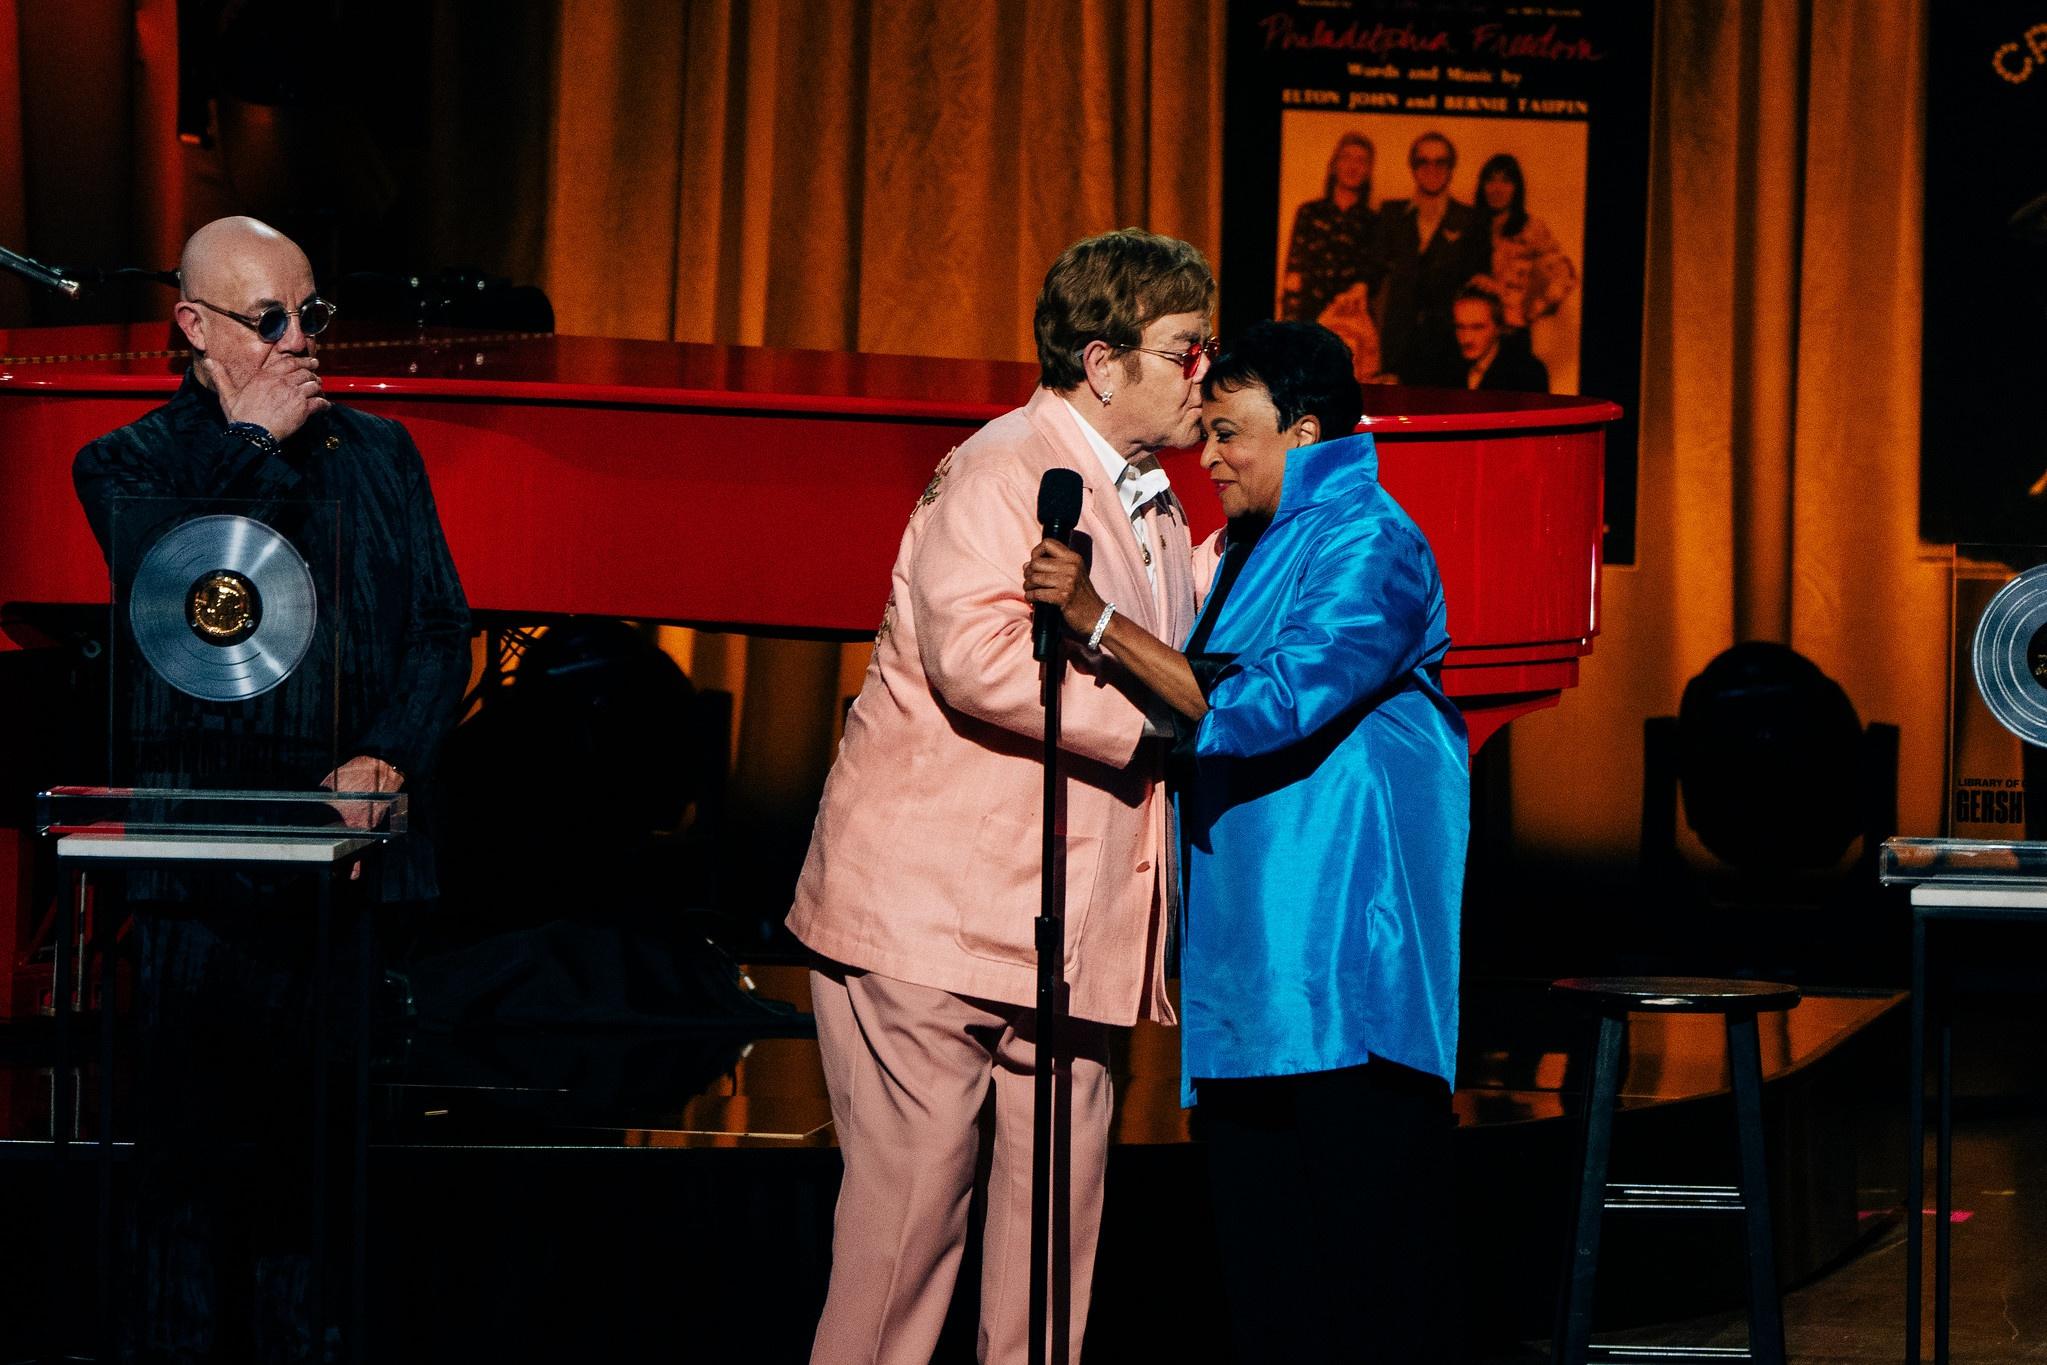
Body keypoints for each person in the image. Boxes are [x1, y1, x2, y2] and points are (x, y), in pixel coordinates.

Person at [787, 228, 1211, 1364]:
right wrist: (1164, 726)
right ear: (1102, 360)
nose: (1202, 377)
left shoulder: (1153, 498)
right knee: (906, 1240)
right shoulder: (999, 470)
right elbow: (977, 660)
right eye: (1185, 351)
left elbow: (1170, 632)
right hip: (931, 924)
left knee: (1052, 1255)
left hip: (1067, 940)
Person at [1025, 320, 1468, 1363]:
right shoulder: (1267, 539)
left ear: (1306, 431)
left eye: (1230, 435)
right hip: (1258, 975)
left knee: (1363, 1281)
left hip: (1345, 974)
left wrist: (1094, 617)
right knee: (1270, 1279)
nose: (1207, 456)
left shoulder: (1369, 538)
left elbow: (1267, 704)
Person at [71, 215, 470, 1359]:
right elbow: (174, 577)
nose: (301, 342)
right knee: (189, 1202)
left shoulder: (381, 453)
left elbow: (443, 630)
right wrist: (248, 446)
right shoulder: (129, 464)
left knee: (318, 1199)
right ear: (193, 329)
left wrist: (391, 750)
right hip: (201, 898)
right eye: (268, 320)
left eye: (312, 315)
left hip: (339, 887)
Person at [1376, 131, 1494, 386]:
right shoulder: (1391, 214)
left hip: (1450, 347)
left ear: (1451, 167)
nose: (1432, 168)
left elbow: (1480, 278)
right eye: (1423, 161)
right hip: (1397, 343)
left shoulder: (1472, 219)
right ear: (1413, 167)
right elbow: (1372, 271)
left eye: (1441, 161)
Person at [1279, 131, 1382, 326]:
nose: (1353, 166)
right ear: (1334, 165)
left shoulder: (1375, 222)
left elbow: (1373, 276)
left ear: (1369, 170)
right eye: (1347, 158)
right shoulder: (1310, 213)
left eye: (1361, 160)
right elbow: (1293, 277)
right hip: (1310, 318)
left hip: (1353, 323)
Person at [1452, 285, 1551, 392]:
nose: (1467, 338)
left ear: (1498, 328)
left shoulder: (1528, 372)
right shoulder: (1446, 367)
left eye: (1478, 327)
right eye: (1460, 327)